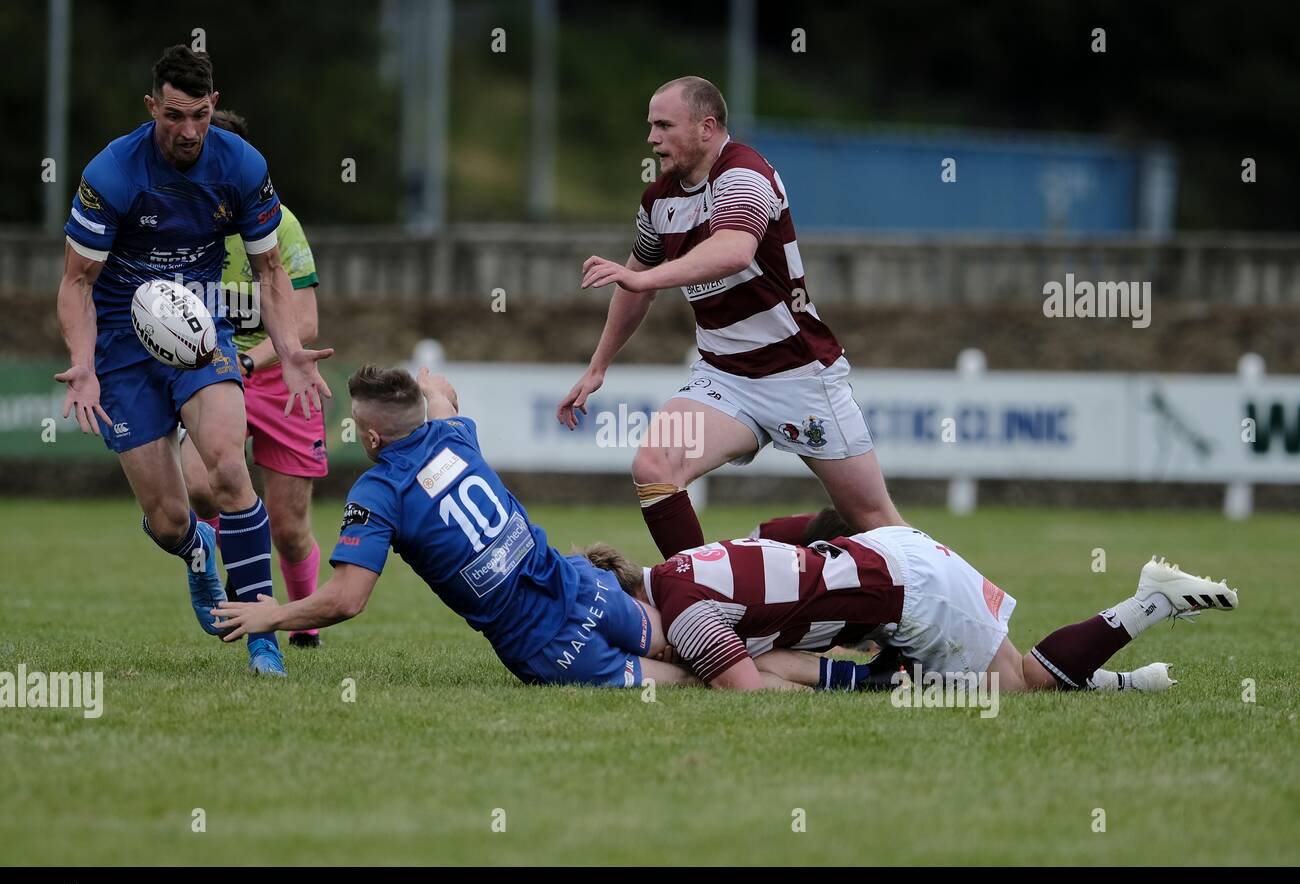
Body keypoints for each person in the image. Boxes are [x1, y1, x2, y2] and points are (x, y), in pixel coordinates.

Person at [56, 45, 331, 676]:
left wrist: (287, 350)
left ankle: (261, 634)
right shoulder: (112, 172)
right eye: (175, 115)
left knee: (229, 472)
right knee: (168, 517)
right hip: (124, 347)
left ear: (214, 105)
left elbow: (268, 268)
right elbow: (75, 283)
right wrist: (84, 362)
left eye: (200, 115)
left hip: (200, 335)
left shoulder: (241, 164)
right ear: (152, 105)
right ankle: (197, 549)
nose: (189, 131)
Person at [558, 75, 903, 560]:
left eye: (663, 125)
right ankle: (701, 606)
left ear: (707, 126)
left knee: (873, 520)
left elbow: (733, 250)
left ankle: (958, 617)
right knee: (654, 464)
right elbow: (634, 284)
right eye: (649, 126)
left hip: (798, 373)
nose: (651, 138)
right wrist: (598, 366)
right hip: (724, 377)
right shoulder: (658, 199)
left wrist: (646, 279)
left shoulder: (745, 172)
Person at [213, 366, 703, 688]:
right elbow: (443, 396)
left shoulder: (378, 491)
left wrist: (271, 617)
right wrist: (426, 385)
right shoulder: (454, 435)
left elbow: (348, 599)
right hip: (584, 587)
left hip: (548, 645)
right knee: (704, 649)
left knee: (690, 682)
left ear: (370, 436)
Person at [586, 530, 1238, 693]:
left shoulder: (688, 614)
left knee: (1021, 684)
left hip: (906, 591)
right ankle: (1131, 682)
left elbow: (748, 690)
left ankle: (1150, 600)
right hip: (888, 565)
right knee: (955, 685)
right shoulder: (675, 570)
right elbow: (778, 660)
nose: (644, 648)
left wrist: (685, 676)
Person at [179, 109, 328, 649]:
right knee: (199, 485)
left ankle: (304, 623)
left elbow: (305, 321)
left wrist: (250, 361)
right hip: (212, 374)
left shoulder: (279, 224)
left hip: (280, 379)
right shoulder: (180, 227)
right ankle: (238, 569)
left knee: (289, 530)